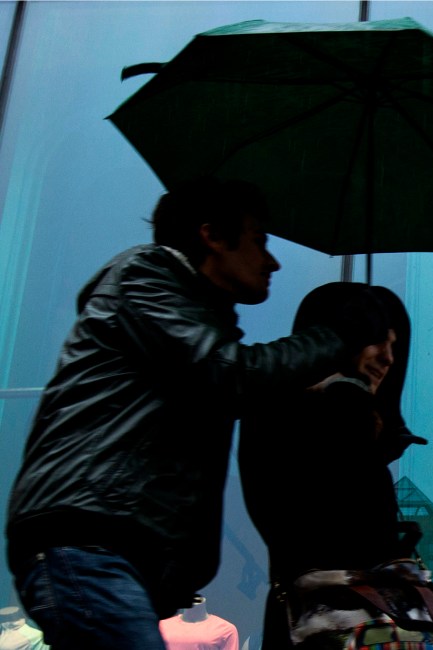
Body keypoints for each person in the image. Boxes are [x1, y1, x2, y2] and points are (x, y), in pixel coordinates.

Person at [5, 178, 388, 649]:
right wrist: (339, 335)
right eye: (259, 241)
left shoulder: (192, 323)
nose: (273, 261)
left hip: (111, 553)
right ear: (211, 235)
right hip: (90, 542)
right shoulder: (143, 277)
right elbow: (232, 374)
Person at [239, 282, 431, 649]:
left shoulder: (348, 422)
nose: (388, 357)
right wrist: (349, 402)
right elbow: (348, 528)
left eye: (394, 344)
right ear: (338, 338)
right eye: (377, 340)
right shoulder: (295, 416)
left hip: (338, 623)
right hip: (331, 626)